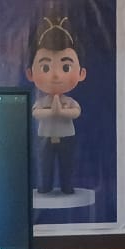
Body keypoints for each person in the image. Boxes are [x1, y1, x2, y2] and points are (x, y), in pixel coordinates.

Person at [27, 15, 86, 195]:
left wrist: (61, 111)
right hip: (44, 136)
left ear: (81, 73)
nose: (55, 75)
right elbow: (36, 113)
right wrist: (53, 111)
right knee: (45, 163)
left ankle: (67, 187)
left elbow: (76, 112)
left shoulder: (69, 101)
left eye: (65, 67)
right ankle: (45, 186)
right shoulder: (42, 101)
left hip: (67, 136)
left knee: (67, 163)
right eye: (45, 68)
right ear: (30, 74)